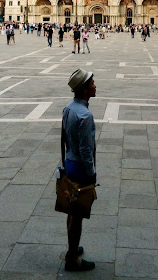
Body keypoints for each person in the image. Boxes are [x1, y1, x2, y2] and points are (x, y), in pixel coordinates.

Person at [62, 69, 97, 272]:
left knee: (71, 212)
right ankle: (72, 258)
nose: (94, 86)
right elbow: (86, 150)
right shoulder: (85, 115)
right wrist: (91, 173)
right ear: (84, 89)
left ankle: (72, 248)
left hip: (69, 162)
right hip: (80, 168)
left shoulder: (68, 108)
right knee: (78, 215)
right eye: (92, 83)